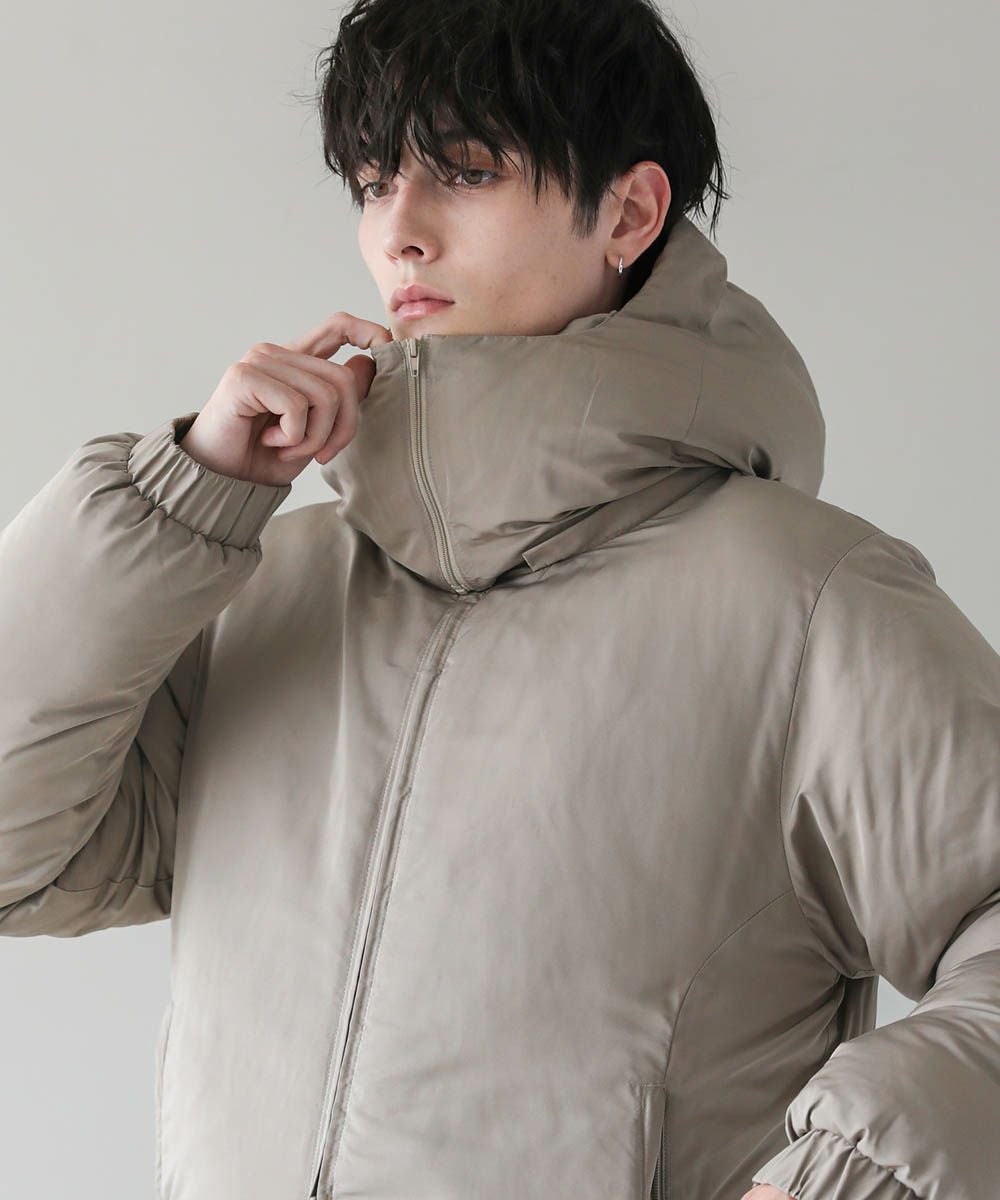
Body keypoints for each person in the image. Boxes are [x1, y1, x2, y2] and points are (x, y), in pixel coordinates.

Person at [1, 1, 997, 1198]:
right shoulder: (274, 589)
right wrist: (184, 497)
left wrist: (857, 1175)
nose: (399, 232)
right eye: (375, 182)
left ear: (628, 213)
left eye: (465, 171)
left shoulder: (808, 604)